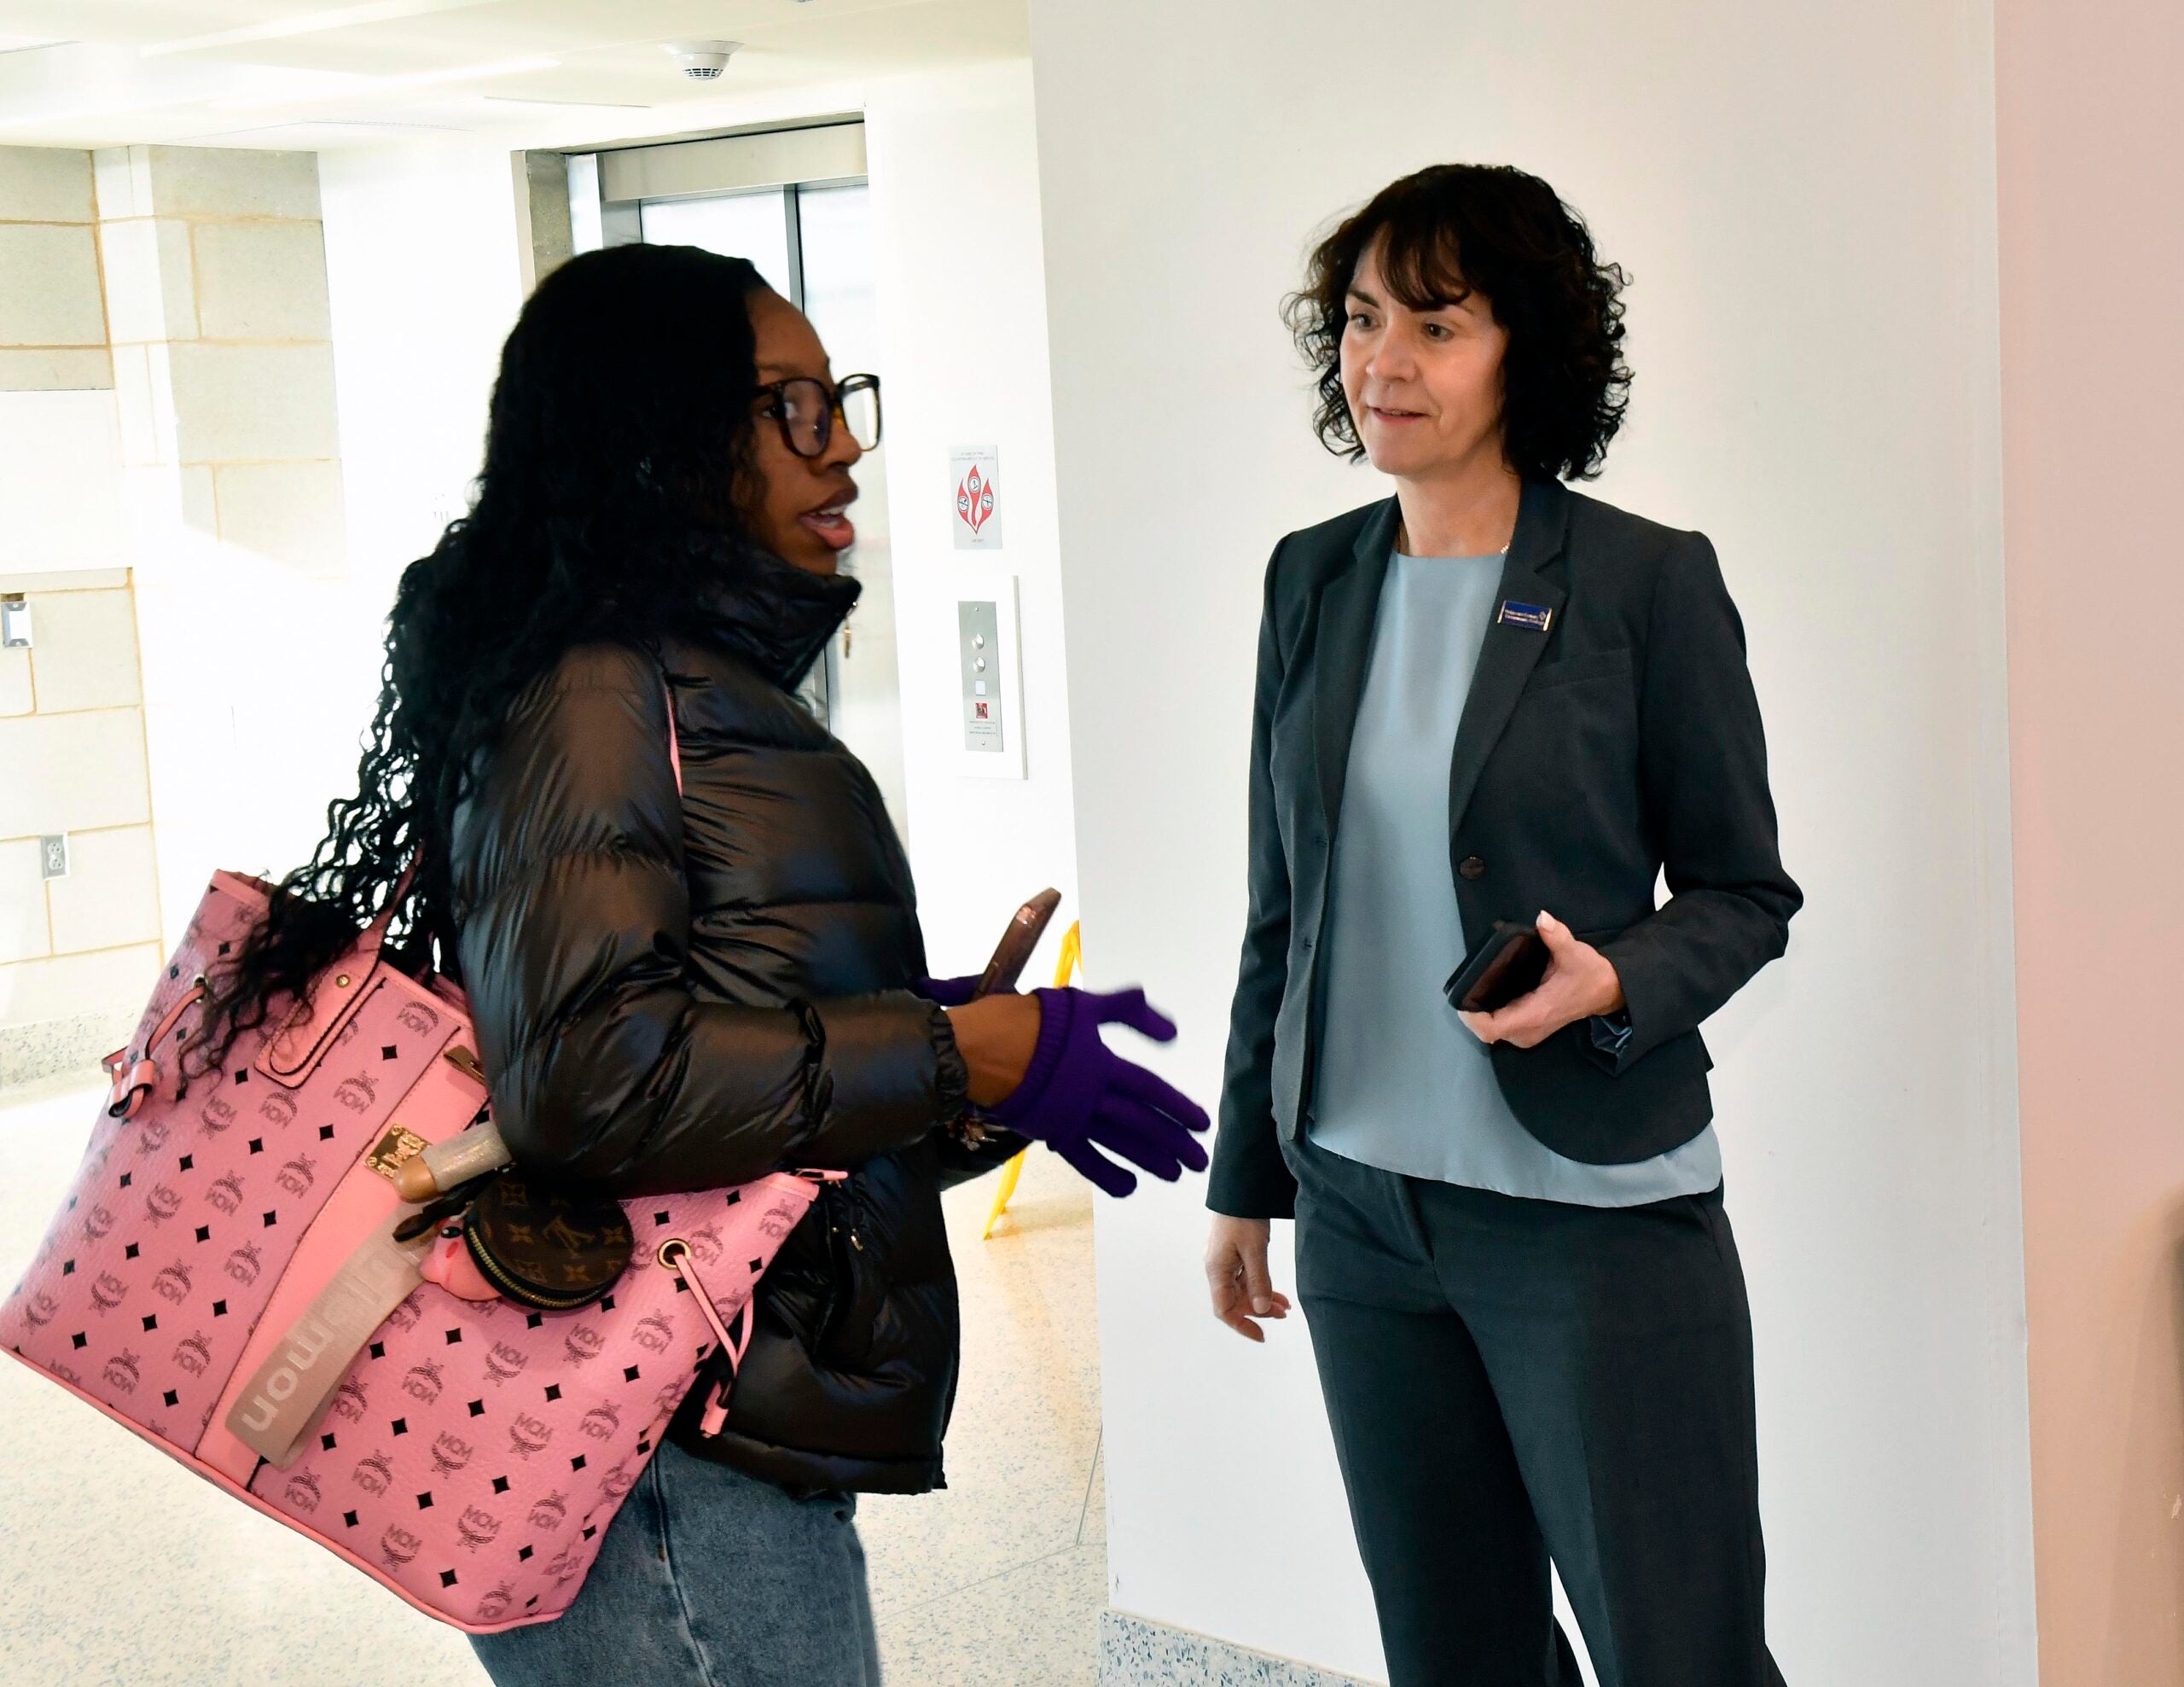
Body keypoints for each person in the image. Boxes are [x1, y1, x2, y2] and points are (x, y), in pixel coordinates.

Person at [195, 242, 1210, 1686]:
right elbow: (587, 1083)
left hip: (706, 1421)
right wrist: (947, 1048)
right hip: (653, 1460)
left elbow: (724, 1087)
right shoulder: (598, 690)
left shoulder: (689, 688)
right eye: (791, 406)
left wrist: (964, 1074)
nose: (841, 444)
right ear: (659, 434)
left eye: (841, 400)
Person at [1203, 164, 1802, 1686]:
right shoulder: (1311, 579)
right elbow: (1285, 905)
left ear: (1524, 348)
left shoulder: (1644, 582)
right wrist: (1246, 1178)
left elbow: (1745, 894)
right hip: (1361, 1211)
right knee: (1454, 1652)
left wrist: (1616, 980)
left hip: (1588, 1216)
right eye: (1360, 320)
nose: (1383, 361)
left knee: (1678, 1651)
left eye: (1437, 324)